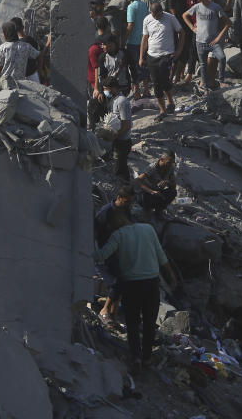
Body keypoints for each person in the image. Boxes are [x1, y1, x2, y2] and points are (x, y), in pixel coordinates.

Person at [92, 209, 177, 372]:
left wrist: (87, 253)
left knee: (132, 322)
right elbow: (161, 256)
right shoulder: (148, 229)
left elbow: (102, 255)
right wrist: (172, 275)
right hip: (151, 284)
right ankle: (146, 358)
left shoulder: (118, 235)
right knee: (149, 322)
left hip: (131, 285)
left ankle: (135, 357)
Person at [93, 185, 136, 323]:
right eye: (127, 201)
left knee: (124, 282)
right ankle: (104, 311)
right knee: (117, 283)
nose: (129, 204)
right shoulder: (106, 212)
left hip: (118, 252)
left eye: (131, 202)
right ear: (119, 198)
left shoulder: (126, 211)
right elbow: (94, 234)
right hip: (104, 254)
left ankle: (113, 314)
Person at [140, 2, 182, 122]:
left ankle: (170, 101)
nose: (155, 17)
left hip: (166, 54)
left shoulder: (170, 18)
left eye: (157, 15)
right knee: (156, 83)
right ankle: (163, 111)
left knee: (164, 79)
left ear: (161, 12)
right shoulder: (147, 20)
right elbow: (144, 38)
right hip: (151, 55)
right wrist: (141, 57)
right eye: (153, 15)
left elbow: (181, 32)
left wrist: (178, 50)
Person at [183, 0, 230, 92]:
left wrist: (219, 37)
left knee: (222, 58)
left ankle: (221, 81)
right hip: (200, 41)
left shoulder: (215, 7)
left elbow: (228, 23)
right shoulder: (197, 7)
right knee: (203, 66)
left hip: (213, 42)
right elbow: (184, 15)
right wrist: (192, 27)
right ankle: (205, 89)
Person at [124, 0, 150, 99]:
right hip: (144, 41)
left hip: (133, 42)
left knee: (134, 68)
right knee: (143, 66)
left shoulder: (131, 7)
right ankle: (146, 90)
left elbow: (130, 26)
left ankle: (137, 92)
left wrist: (124, 40)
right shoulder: (144, 5)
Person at [104, 76, 133, 180]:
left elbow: (126, 125)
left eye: (106, 89)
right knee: (119, 166)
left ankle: (125, 188)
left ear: (113, 88)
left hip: (123, 142)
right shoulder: (113, 99)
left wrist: (114, 135)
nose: (105, 91)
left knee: (120, 168)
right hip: (117, 140)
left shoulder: (122, 101)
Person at [167, 0, 193, 84]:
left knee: (184, 54)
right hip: (177, 29)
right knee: (176, 57)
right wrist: (177, 30)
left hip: (185, 27)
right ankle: (171, 79)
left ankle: (178, 77)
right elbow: (173, 14)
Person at [135, 150, 177, 217]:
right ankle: (147, 209)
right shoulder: (152, 167)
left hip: (159, 192)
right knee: (141, 198)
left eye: (172, 163)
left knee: (173, 192)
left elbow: (173, 185)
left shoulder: (170, 168)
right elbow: (137, 180)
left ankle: (159, 210)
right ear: (162, 159)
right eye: (168, 162)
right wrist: (151, 191)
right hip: (148, 192)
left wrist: (167, 183)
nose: (170, 165)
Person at [87, 18, 111, 130]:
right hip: (107, 83)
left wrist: (96, 87)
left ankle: (95, 131)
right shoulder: (110, 44)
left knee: (94, 110)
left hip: (95, 83)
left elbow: (97, 68)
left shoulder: (94, 48)